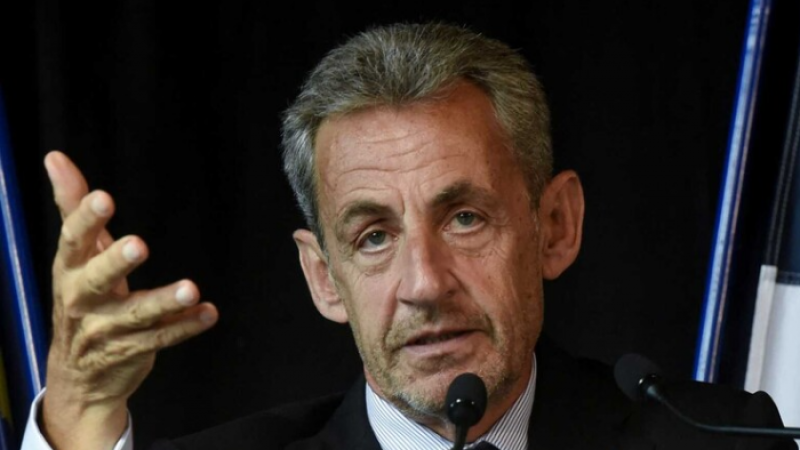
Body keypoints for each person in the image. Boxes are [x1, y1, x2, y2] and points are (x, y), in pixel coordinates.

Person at [21, 22, 796, 450]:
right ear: (323, 278)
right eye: (372, 237)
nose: (425, 283)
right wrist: (78, 418)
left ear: (555, 226)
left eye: (465, 218)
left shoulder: (724, 444)